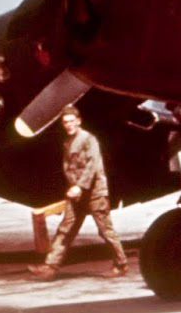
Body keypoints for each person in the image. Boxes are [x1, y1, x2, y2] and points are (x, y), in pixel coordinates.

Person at [28, 106, 128, 280]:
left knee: (105, 230)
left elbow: (92, 164)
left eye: (71, 121)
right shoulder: (68, 142)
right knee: (65, 229)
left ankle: (121, 263)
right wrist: (71, 188)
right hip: (76, 195)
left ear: (78, 121)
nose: (68, 125)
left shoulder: (89, 139)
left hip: (95, 193)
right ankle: (50, 267)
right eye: (65, 122)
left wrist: (80, 186)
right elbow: (67, 167)